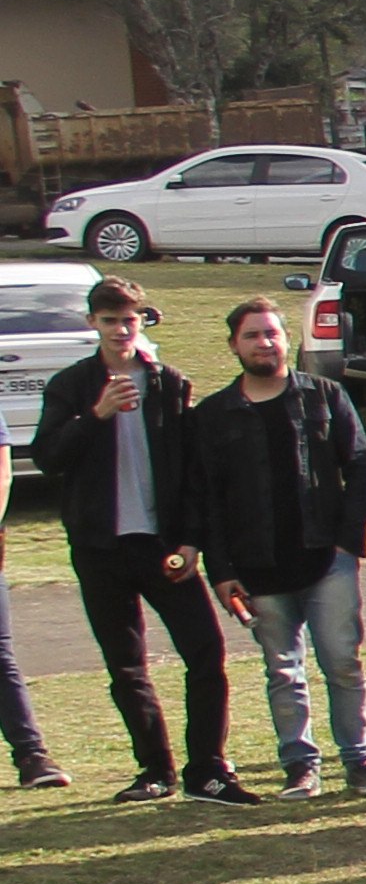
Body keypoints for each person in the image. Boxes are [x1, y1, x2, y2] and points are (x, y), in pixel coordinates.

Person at [44, 280, 243, 803]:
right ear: (94, 324)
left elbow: (194, 474)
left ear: (143, 323)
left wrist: (191, 542)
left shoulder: (170, 385)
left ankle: (208, 768)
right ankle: (155, 770)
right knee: (126, 665)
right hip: (100, 547)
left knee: (205, 651)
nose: (121, 329)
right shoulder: (71, 386)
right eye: (110, 320)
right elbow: (49, 457)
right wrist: (97, 415)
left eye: (130, 319)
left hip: (162, 547)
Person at [192, 291, 366, 795]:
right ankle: (300, 766)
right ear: (234, 345)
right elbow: (206, 500)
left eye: (272, 333)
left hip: (327, 558)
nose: (264, 342)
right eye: (252, 335)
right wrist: (222, 570)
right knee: (283, 671)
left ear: (287, 340)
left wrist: (348, 542)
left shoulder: (324, 395)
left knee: (342, 662)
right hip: (257, 566)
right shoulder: (213, 415)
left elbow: (360, 467)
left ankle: (360, 762)